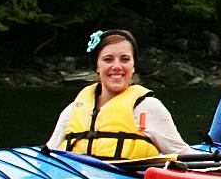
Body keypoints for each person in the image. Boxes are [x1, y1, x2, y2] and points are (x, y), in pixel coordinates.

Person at [47, 29, 192, 159]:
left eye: (125, 59)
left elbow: (182, 153)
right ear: (97, 66)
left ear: (133, 66)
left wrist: (213, 164)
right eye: (108, 59)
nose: (117, 66)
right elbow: (49, 154)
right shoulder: (73, 110)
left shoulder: (148, 107)